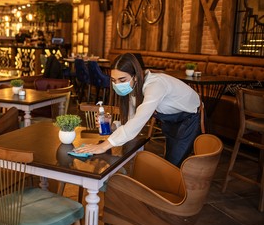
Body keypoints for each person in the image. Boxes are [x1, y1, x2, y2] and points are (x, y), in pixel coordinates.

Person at [74, 53, 202, 167]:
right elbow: (131, 120)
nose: (117, 85)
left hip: (189, 118)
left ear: (135, 76)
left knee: (173, 166)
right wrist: (112, 125)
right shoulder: (133, 88)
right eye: (113, 80)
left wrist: (103, 146)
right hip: (170, 119)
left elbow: (137, 123)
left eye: (122, 80)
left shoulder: (155, 85)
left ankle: (180, 192)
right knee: (170, 160)